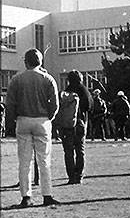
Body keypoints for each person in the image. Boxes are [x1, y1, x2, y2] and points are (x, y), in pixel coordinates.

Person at [5, 49, 61, 207]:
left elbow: (10, 104)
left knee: (24, 161)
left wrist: (15, 118)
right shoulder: (48, 79)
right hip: (42, 120)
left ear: (26, 62)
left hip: (23, 119)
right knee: (44, 160)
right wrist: (49, 117)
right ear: (40, 61)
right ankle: (47, 195)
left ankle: (26, 196)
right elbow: (55, 104)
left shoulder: (16, 79)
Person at [60, 71, 92, 184]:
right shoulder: (84, 90)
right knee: (80, 150)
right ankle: (79, 175)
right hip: (80, 123)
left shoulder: (65, 92)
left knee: (68, 152)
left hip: (67, 124)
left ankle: (71, 176)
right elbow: (89, 106)